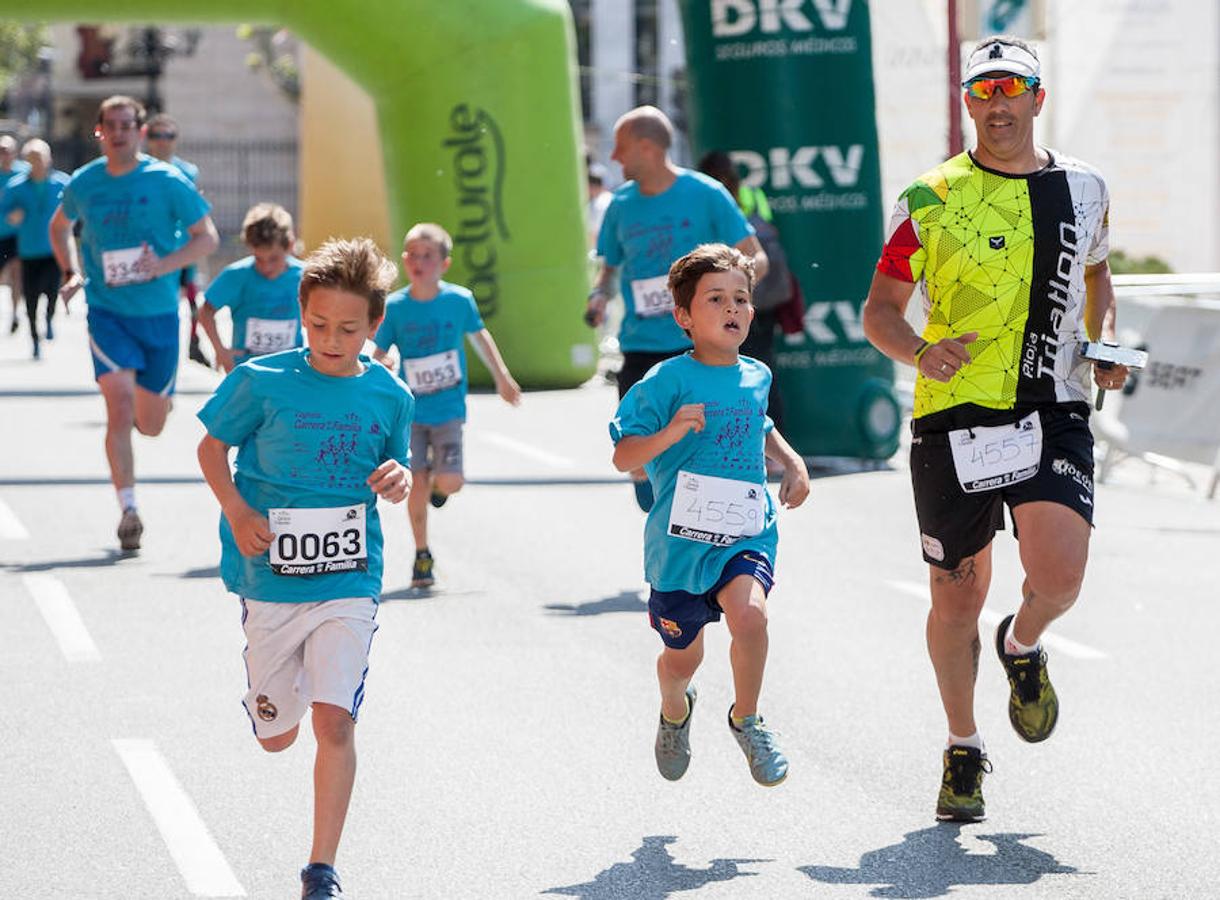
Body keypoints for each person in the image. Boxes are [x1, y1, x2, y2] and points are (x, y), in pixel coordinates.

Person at [861, 36, 1126, 822]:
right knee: (955, 596)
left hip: (1053, 404)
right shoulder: (930, 197)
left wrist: (1103, 343)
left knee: (1062, 574)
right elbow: (878, 309)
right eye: (982, 92)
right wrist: (918, 351)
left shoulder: (1084, 187)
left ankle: (1023, 641)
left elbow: (1098, 272)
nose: (996, 105)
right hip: (953, 416)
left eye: (1011, 90)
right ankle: (963, 746)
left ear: (1038, 98)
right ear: (967, 101)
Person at [196, 237, 413, 900]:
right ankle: (264, 703)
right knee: (277, 738)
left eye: (348, 328)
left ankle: (321, 868)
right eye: (318, 325)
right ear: (301, 313)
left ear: (374, 326)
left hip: (349, 579)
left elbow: (395, 468)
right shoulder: (262, 380)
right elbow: (210, 448)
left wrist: (399, 479)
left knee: (334, 722)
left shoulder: (389, 395)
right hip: (269, 579)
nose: (330, 338)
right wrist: (236, 510)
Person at [610, 243, 809, 788]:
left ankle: (747, 718)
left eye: (741, 299)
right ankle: (675, 707)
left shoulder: (756, 375)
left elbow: (759, 424)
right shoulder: (665, 382)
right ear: (683, 317)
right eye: (716, 299)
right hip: (679, 545)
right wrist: (671, 431)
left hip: (744, 532)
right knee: (682, 659)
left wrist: (792, 464)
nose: (733, 309)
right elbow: (624, 455)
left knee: (752, 618)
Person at [50, 95, 219, 551]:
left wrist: (162, 266)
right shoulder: (85, 183)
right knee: (119, 408)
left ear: (140, 132)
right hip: (108, 314)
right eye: (112, 125)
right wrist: (72, 271)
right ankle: (128, 508)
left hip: (160, 317)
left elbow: (207, 238)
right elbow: (58, 226)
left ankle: (160, 402)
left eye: (128, 125)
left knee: (151, 424)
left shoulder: (167, 181)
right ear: (100, 132)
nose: (120, 132)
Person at [586, 105, 768, 512]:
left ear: (647, 149)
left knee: (702, 453)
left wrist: (728, 298)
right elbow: (610, 271)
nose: (613, 158)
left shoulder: (706, 195)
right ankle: (670, 520)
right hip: (642, 348)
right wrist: (599, 297)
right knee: (639, 464)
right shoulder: (620, 205)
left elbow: (757, 258)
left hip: (701, 350)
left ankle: (702, 542)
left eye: (620, 148)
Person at [371, 223, 521, 589]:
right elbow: (378, 351)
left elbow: (479, 336)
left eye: (427, 256)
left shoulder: (458, 301)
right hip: (411, 412)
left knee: (451, 482)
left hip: (448, 408)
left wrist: (502, 376)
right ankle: (422, 555)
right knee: (415, 483)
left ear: (444, 263)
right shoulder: (396, 307)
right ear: (404, 260)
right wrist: (380, 366)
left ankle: (441, 485)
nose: (419, 262)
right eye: (412, 255)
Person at [697, 150, 792, 436]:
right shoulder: (753, 195)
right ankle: (771, 450)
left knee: (735, 375)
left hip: (735, 301)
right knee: (762, 373)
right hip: (759, 299)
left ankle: (749, 441)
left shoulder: (708, 202)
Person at [198, 202, 303, 373]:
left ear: (290, 245)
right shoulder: (236, 275)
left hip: (290, 371)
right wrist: (221, 351)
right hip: (247, 372)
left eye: (274, 259)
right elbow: (206, 311)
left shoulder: (304, 276)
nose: (266, 267)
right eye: (259, 259)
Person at [145, 112, 209, 367]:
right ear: (147, 139)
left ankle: (194, 341)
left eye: (168, 135)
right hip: (153, 249)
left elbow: (196, 211)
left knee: (192, 297)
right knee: (160, 302)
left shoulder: (188, 171)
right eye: (156, 135)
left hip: (184, 247)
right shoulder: (140, 170)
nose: (162, 141)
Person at [0, 140, 70, 359]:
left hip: (53, 248)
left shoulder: (62, 183)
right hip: (29, 249)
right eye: (32, 159)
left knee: (50, 291)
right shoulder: (17, 186)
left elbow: (77, 207)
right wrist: (11, 217)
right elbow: (3, 211)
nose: (37, 163)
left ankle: (48, 319)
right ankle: (34, 338)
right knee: (30, 297)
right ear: (27, 161)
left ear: (48, 158)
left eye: (40, 158)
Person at [0, 135, 30, 334]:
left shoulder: (25, 173)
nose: (4, 155)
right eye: (1, 151)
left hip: (20, 235)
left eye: (7, 150)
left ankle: (15, 313)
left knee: (17, 275)